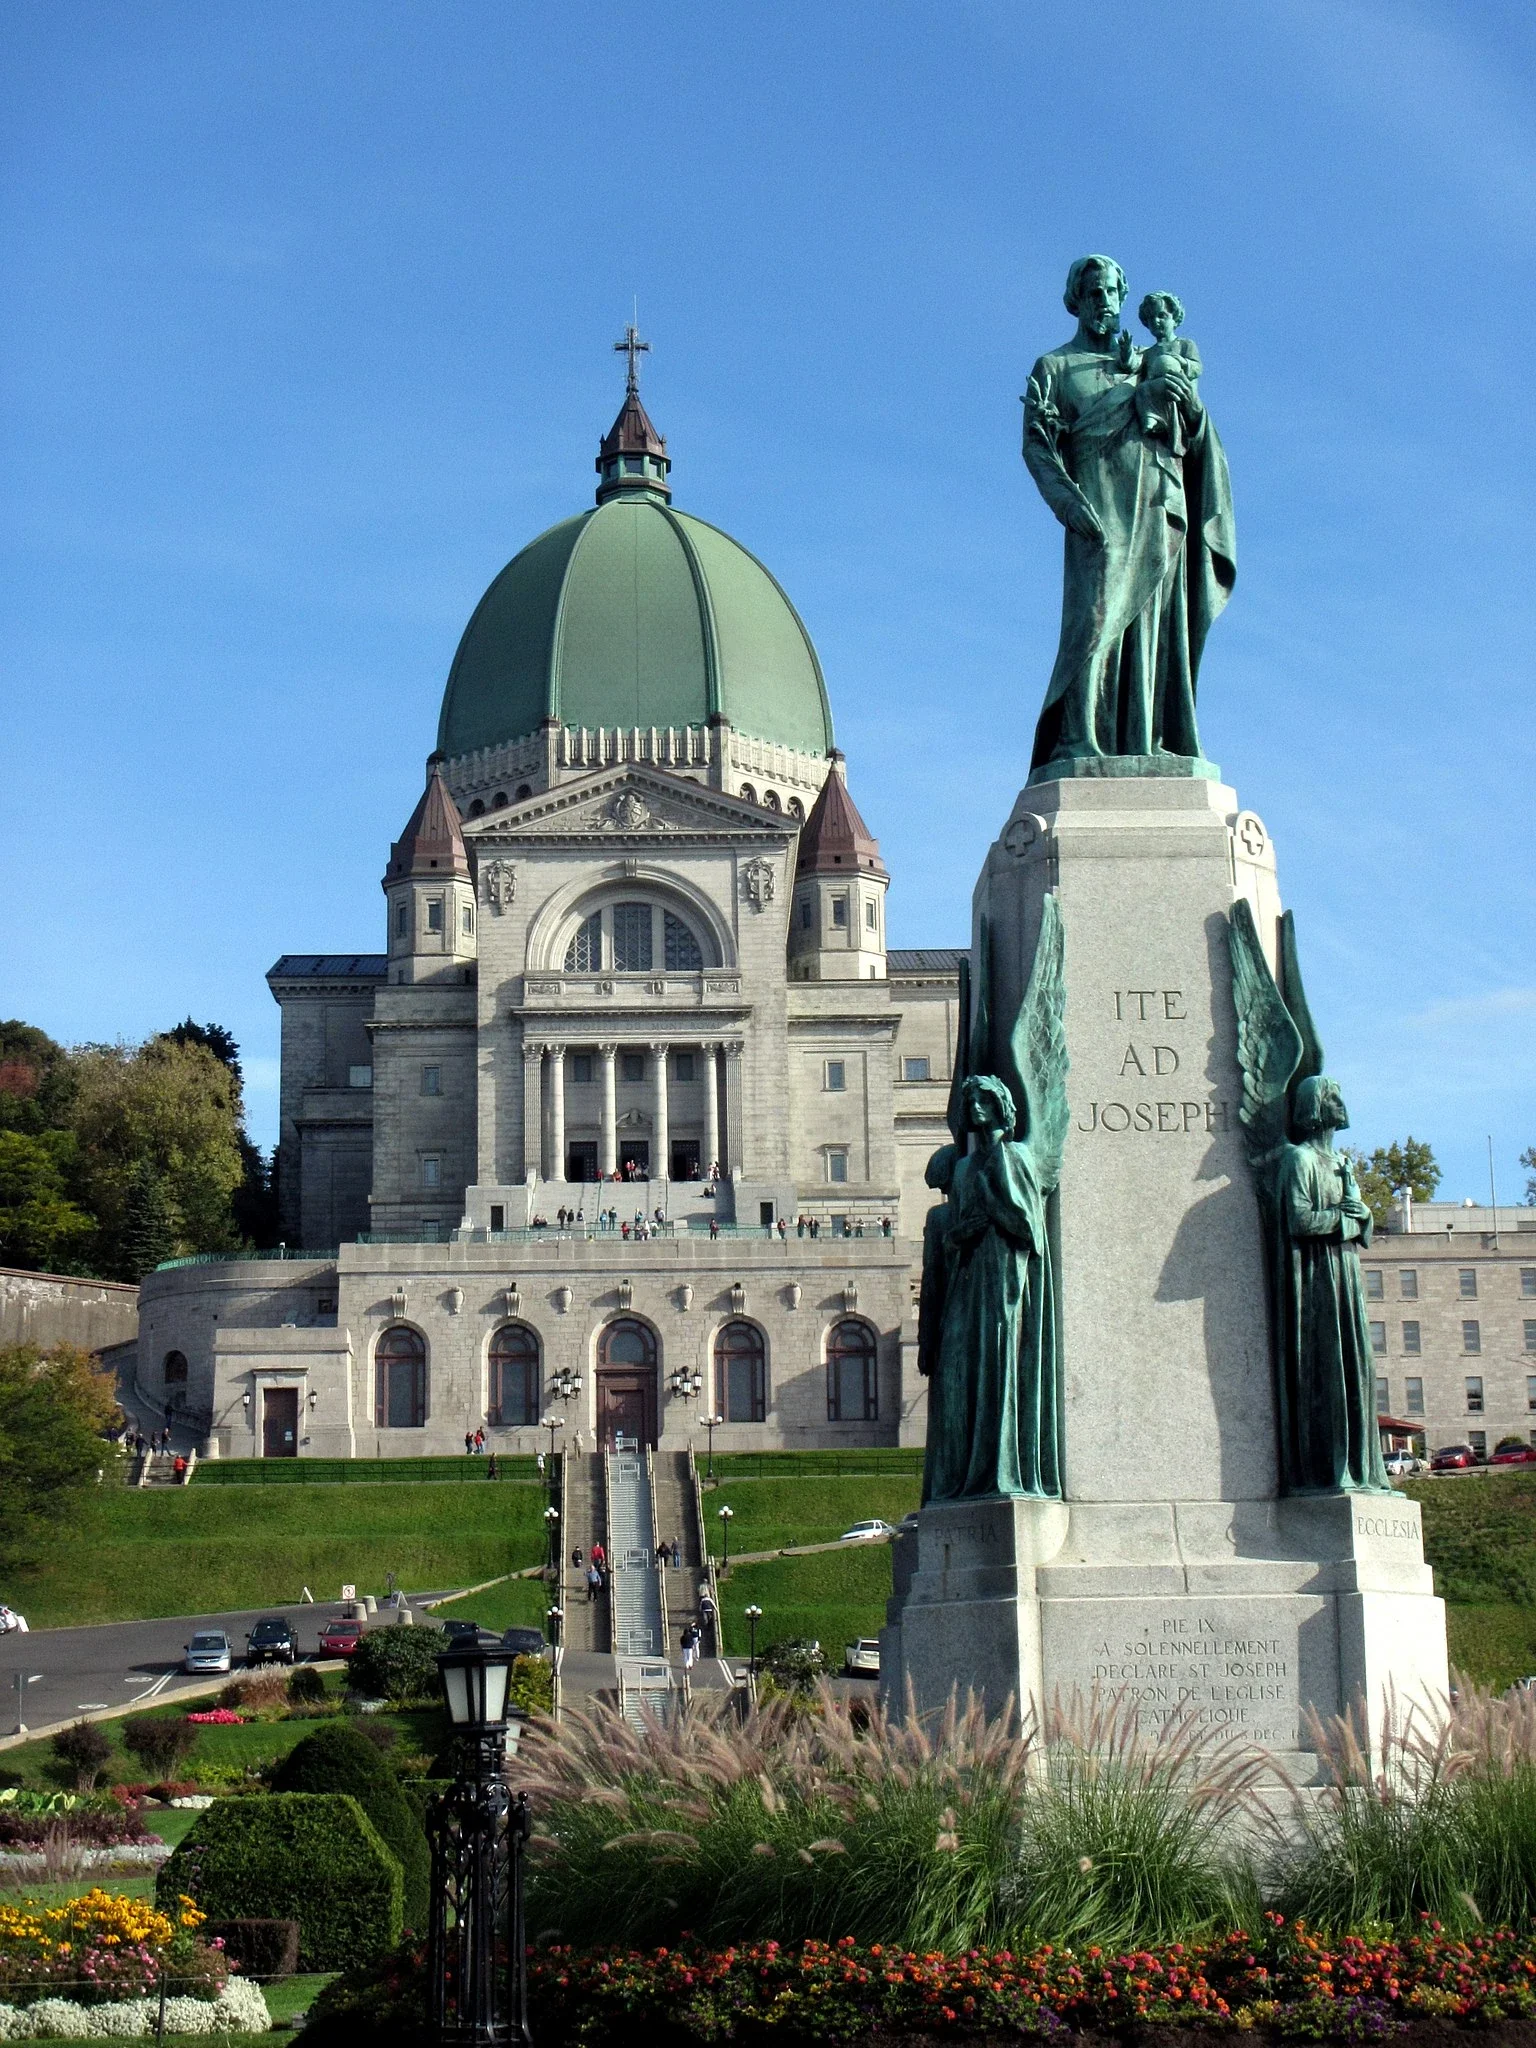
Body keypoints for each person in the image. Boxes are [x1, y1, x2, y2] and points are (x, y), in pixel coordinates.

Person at [1022, 254, 1233, 776]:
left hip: (1158, 501)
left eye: (1111, 292)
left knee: (1155, 621)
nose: (1103, 302)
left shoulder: (1149, 361)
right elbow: (1038, 446)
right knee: (1094, 619)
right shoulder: (1055, 367)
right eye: (1092, 292)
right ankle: (1079, 739)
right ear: (1076, 299)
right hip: (1096, 508)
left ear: (1122, 296)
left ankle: (1148, 736)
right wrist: (1067, 503)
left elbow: (1194, 434)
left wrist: (1193, 411)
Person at [1134, 290, 1201, 455]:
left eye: (1161, 316)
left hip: (1176, 388)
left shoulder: (1185, 344)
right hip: (1154, 389)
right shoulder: (1148, 353)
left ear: (1174, 318)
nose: (1155, 322)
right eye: (1150, 319)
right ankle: (1151, 420)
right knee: (1142, 390)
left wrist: (1181, 362)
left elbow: (1197, 367)